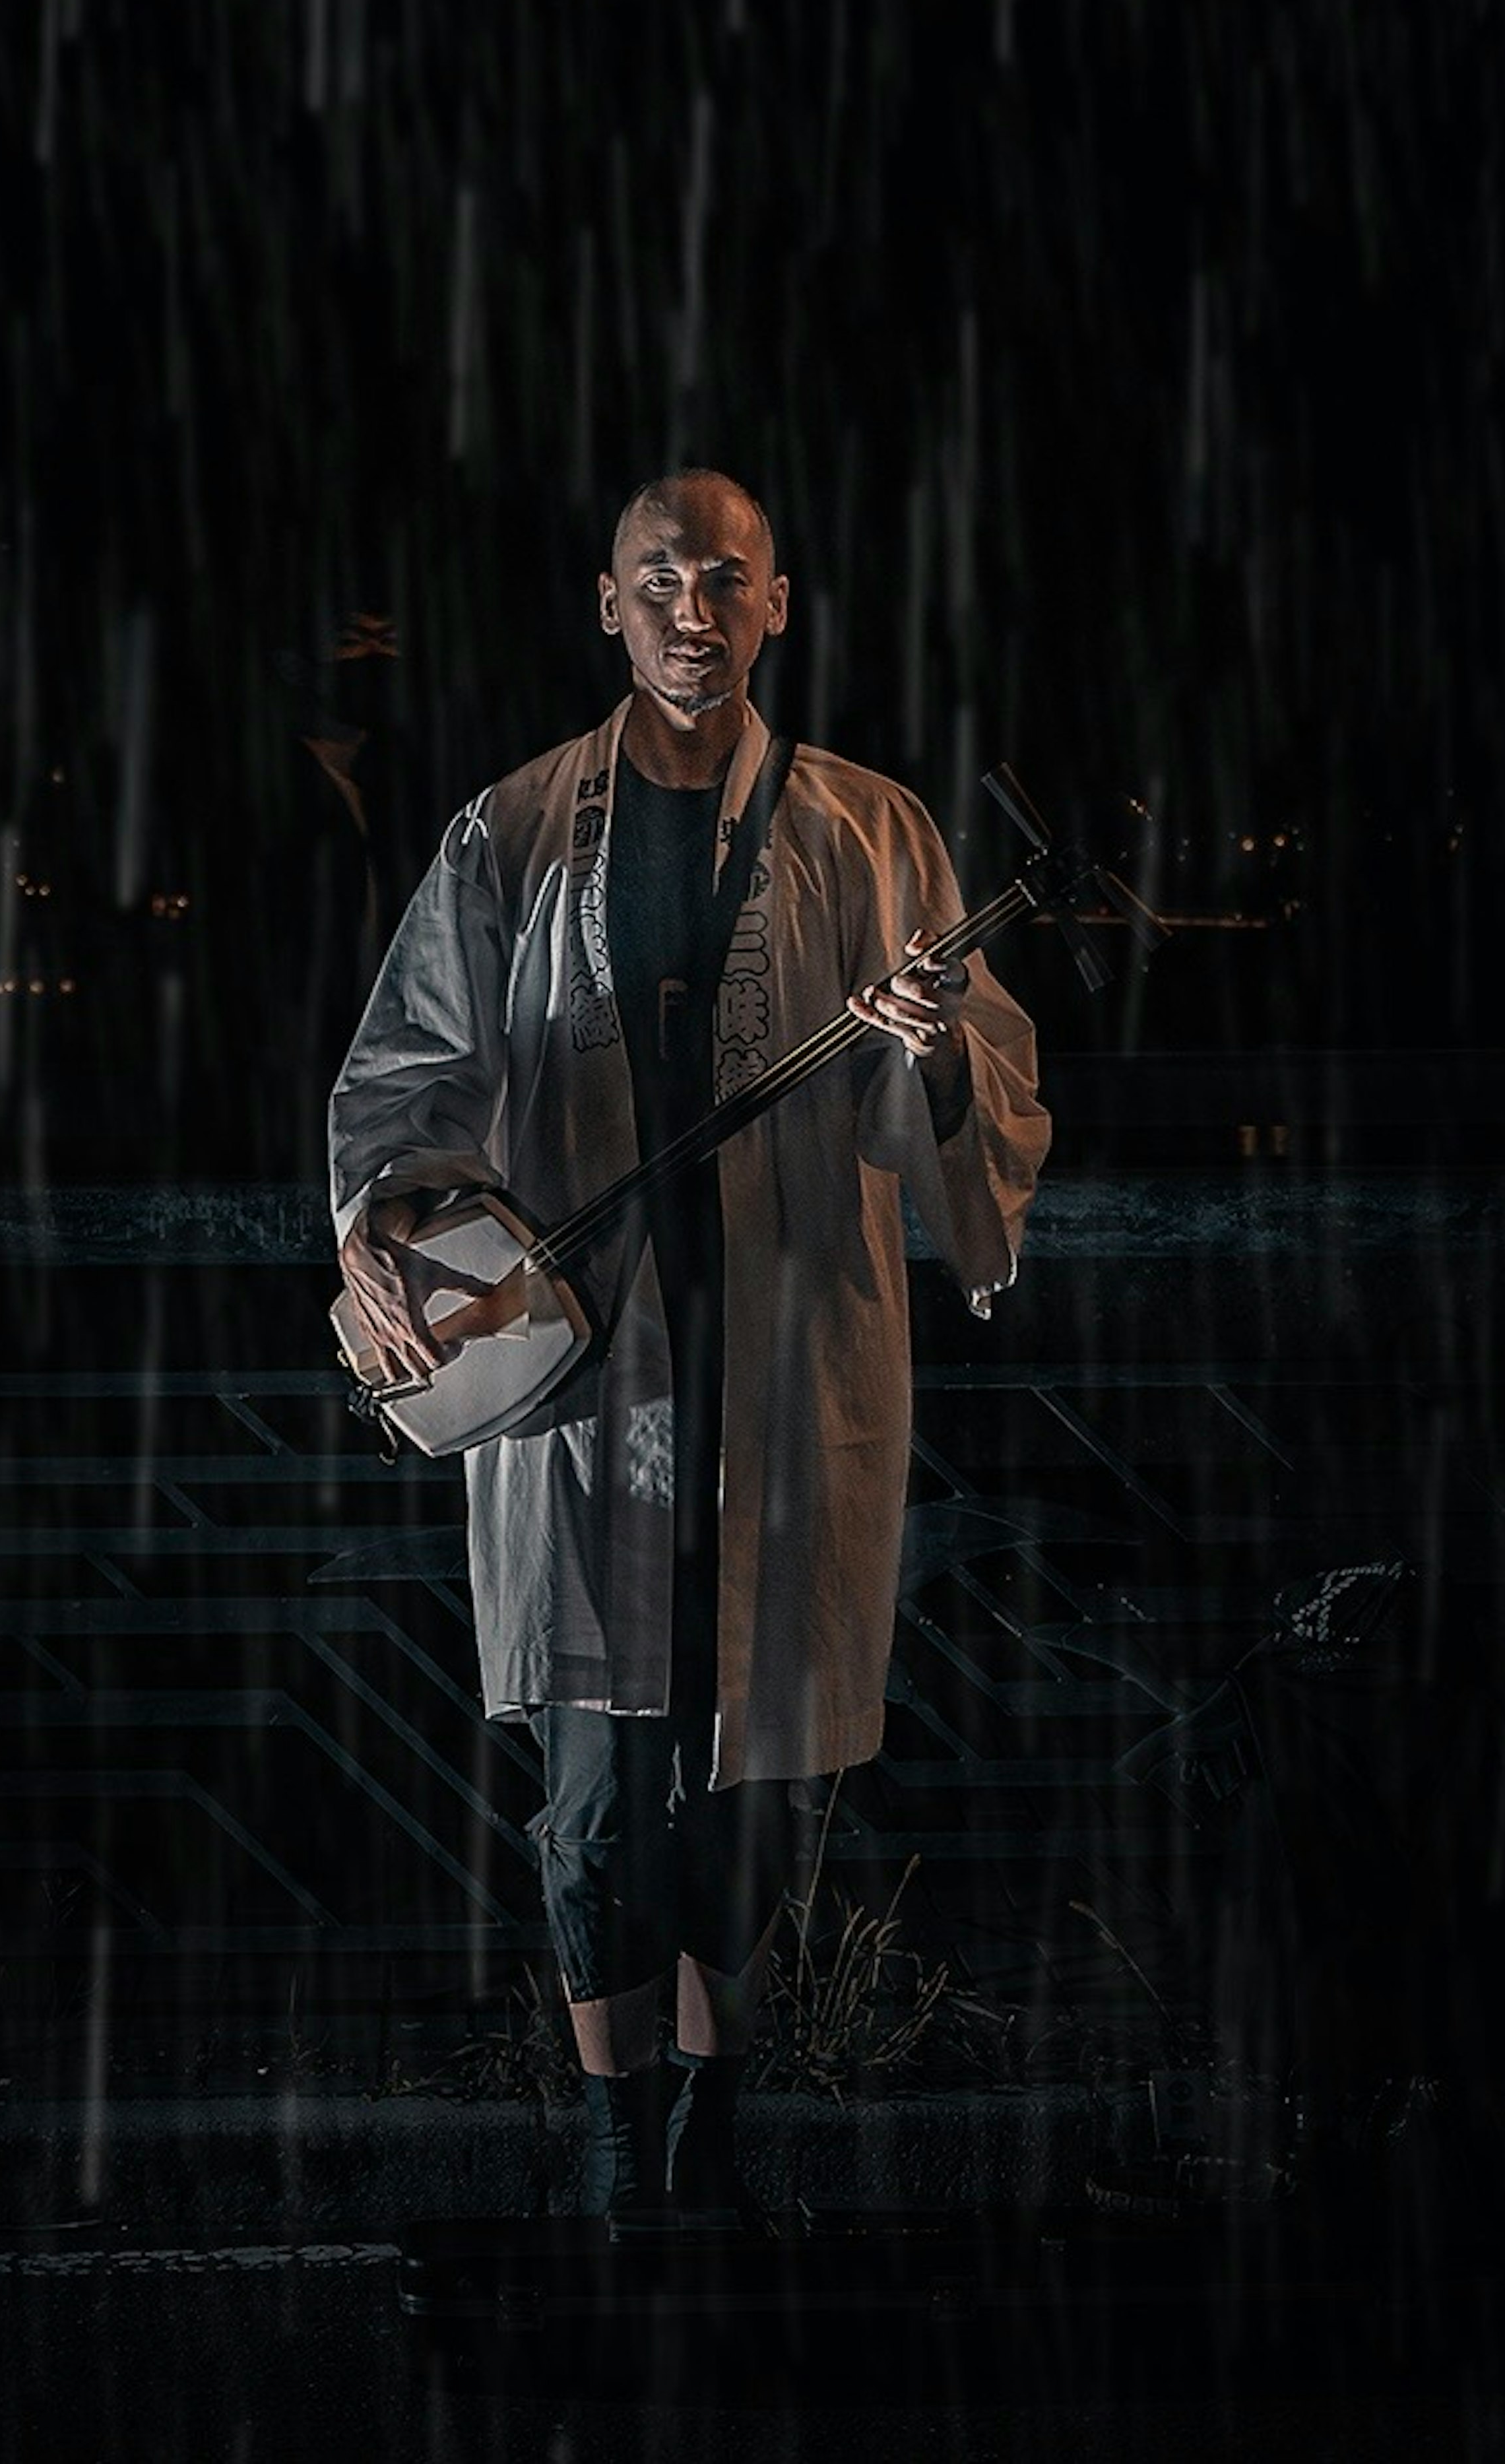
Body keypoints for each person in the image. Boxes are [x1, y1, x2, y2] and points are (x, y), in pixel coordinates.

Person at [329, 470, 1049, 2215]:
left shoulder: (874, 832)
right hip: (585, 1375)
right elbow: (407, 1071)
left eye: (726, 580)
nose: (692, 610)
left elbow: (971, 1098)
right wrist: (387, 1236)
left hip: (792, 1358)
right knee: (592, 1792)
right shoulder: (501, 835)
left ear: (779, 604)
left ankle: (712, 2135)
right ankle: (604, 2144)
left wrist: (931, 1045)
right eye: (661, 579)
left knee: (758, 1788)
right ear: (606, 603)